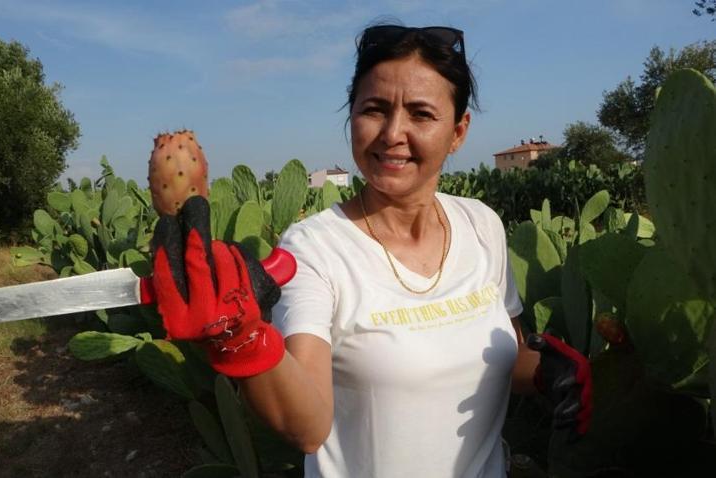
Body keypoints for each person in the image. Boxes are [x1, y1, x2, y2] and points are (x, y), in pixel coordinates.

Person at [150, 23, 591, 478]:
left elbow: (505, 360)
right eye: (375, 110)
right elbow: (308, 427)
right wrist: (243, 340)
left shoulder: (481, 225)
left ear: (458, 132)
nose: (392, 133)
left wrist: (547, 371)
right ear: (352, 116)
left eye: (421, 114)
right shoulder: (315, 248)